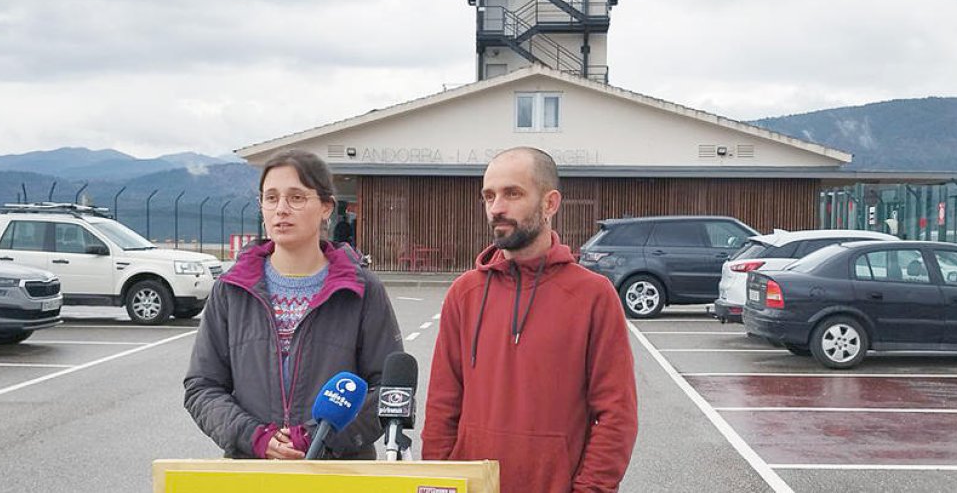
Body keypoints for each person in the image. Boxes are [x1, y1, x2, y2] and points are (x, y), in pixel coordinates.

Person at [423, 147, 638, 492]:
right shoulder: (464, 293)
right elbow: (441, 406)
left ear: (550, 203)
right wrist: (439, 482)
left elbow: (616, 414)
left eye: (513, 193)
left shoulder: (593, 296)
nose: (497, 208)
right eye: (489, 196)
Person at [183, 148, 403, 460]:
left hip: (338, 474)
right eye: (270, 198)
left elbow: (389, 390)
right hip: (253, 473)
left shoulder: (362, 290)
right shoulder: (231, 290)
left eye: (296, 197)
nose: (281, 209)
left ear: (326, 207)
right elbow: (202, 387)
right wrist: (253, 437)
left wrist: (318, 437)